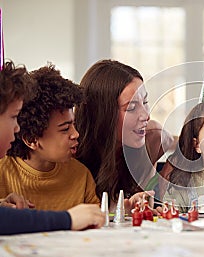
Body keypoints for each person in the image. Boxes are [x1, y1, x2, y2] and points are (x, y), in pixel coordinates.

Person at [0, 60, 105, 235]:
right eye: (65, 129)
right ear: (32, 139)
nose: (76, 134)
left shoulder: (80, 175)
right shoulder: (3, 172)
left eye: (74, 125)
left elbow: (97, 222)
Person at [75, 59, 175, 212]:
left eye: (145, 102)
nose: (146, 115)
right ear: (102, 114)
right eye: (131, 107)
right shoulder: (73, 156)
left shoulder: (152, 139)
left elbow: (180, 141)